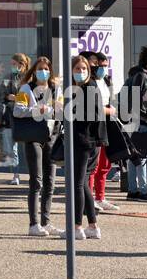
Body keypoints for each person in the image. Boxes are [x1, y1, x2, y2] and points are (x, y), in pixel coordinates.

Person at [13, 56, 63, 236]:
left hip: (51, 135)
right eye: (41, 68)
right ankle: (33, 224)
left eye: (47, 69)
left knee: (50, 182)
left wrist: (58, 108)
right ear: (34, 71)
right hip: (33, 136)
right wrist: (37, 109)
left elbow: (62, 110)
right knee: (36, 181)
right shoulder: (26, 88)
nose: (44, 72)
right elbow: (17, 111)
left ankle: (46, 222)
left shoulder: (55, 88)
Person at [68, 55, 106, 241]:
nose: (81, 72)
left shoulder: (89, 87)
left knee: (77, 184)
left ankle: (77, 227)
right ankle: (93, 226)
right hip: (87, 141)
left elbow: (91, 115)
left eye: (83, 69)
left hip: (84, 141)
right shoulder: (81, 88)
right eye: (77, 69)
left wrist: (69, 111)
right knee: (82, 184)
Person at [124, 46, 147, 201]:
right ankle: (144, 189)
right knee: (142, 157)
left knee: (133, 157)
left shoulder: (133, 75)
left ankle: (132, 189)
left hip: (132, 120)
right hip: (142, 120)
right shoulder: (144, 76)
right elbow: (146, 100)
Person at [87, 51, 119, 212]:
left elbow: (112, 99)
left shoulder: (106, 80)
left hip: (108, 123)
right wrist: (107, 111)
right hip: (96, 123)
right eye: (101, 66)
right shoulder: (90, 82)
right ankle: (90, 197)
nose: (103, 69)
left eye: (106, 66)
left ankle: (101, 196)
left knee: (105, 163)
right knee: (94, 163)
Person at [0, 53, 30, 184]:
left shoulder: (30, 78)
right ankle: (16, 175)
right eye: (12, 64)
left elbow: (33, 98)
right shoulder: (8, 78)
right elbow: (1, 96)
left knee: (30, 148)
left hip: (27, 117)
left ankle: (33, 174)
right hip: (11, 117)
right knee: (12, 149)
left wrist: (16, 97)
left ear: (22, 64)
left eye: (14, 64)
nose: (12, 67)